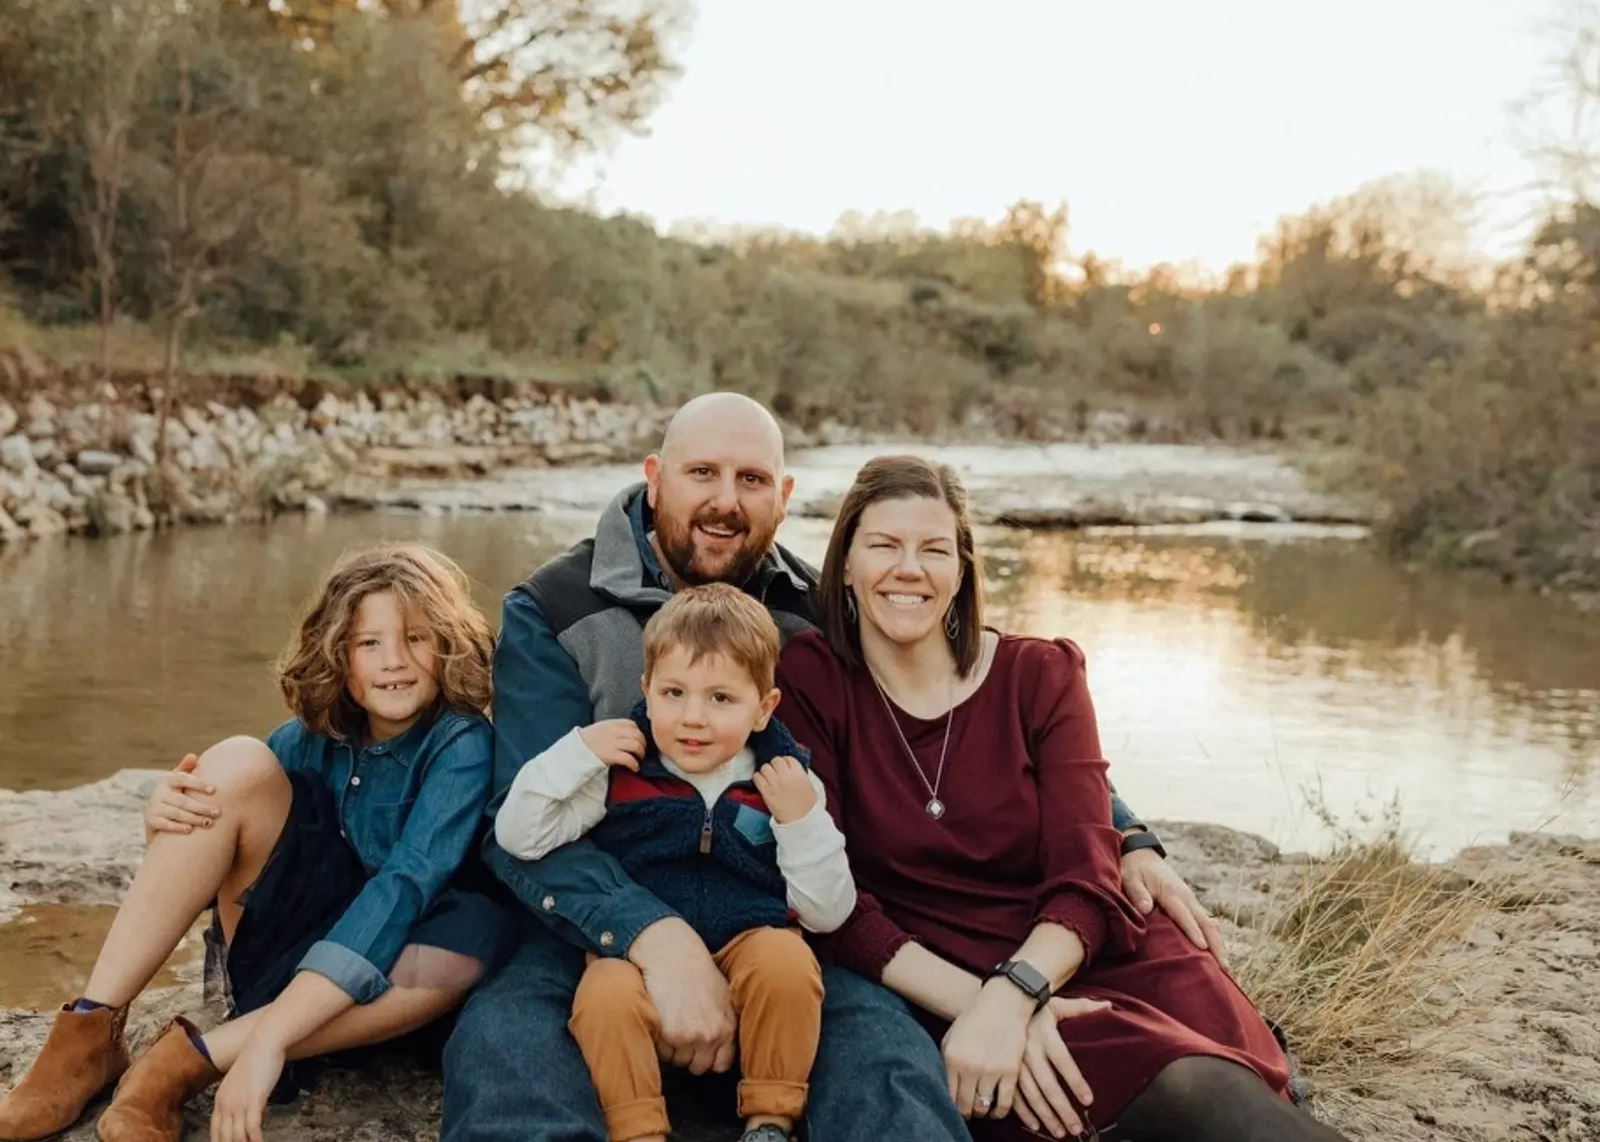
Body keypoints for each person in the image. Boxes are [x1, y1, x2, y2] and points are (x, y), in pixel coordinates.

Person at [441, 392, 1223, 1141]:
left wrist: (1124, 830)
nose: (725, 501)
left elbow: (983, 702)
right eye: (702, 473)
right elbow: (518, 820)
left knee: (884, 1053)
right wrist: (654, 937)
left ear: (784, 498)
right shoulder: (556, 607)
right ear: (655, 478)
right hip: (594, 916)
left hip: (770, 912)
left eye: (752, 480)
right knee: (506, 1038)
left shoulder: (815, 610)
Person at [776, 454, 1353, 1142]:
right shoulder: (810, 681)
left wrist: (1015, 992)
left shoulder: (1041, 674)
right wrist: (984, 1008)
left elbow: (1088, 877)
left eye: (934, 549)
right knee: (1177, 1096)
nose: (909, 569)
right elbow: (837, 906)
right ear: (844, 564)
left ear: (962, 568)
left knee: (1231, 1097)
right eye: (884, 545)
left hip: (1079, 949)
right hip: (933, 971)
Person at [0, 543, 515, 1142]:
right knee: (236, 762)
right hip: (287, 950)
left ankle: (188, 1062)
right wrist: (164, 819)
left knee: (474, 934)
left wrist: (269, 1040)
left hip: (393, 982)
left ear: (448, 643)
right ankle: (91, 1033)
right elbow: (223, 851)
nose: (394, 661)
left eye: (416, 638)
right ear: (337, 654)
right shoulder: (308, 737)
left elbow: (404, 888)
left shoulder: (461, 745)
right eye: (369, 643)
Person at [495, 583, 856, 1142]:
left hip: (747, 941)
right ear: (646, 689)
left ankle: (770, 1118)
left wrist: (800, 820)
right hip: (633, 956)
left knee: (788, 963)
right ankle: (637, 1128)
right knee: (603, 996)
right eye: (673, 693)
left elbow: (827, 911)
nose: (693, 718)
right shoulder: (620, 770)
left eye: (721, 699)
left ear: (764, 709)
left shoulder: (785, 782)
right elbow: (520, 836)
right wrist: (577, 753)